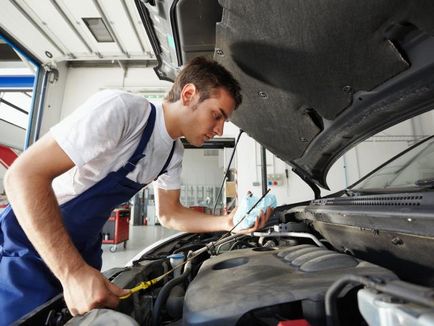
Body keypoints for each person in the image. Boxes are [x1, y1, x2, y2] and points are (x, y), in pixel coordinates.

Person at [0, 57, 272, 324]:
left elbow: (170, 214)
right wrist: (72, 272)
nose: (220, 128)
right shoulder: (124, 111)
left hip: (83, 248)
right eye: (216, 115)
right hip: (33, 241)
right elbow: (23, 176)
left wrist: (227, 223)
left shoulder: (172, 154)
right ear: (189, 94)